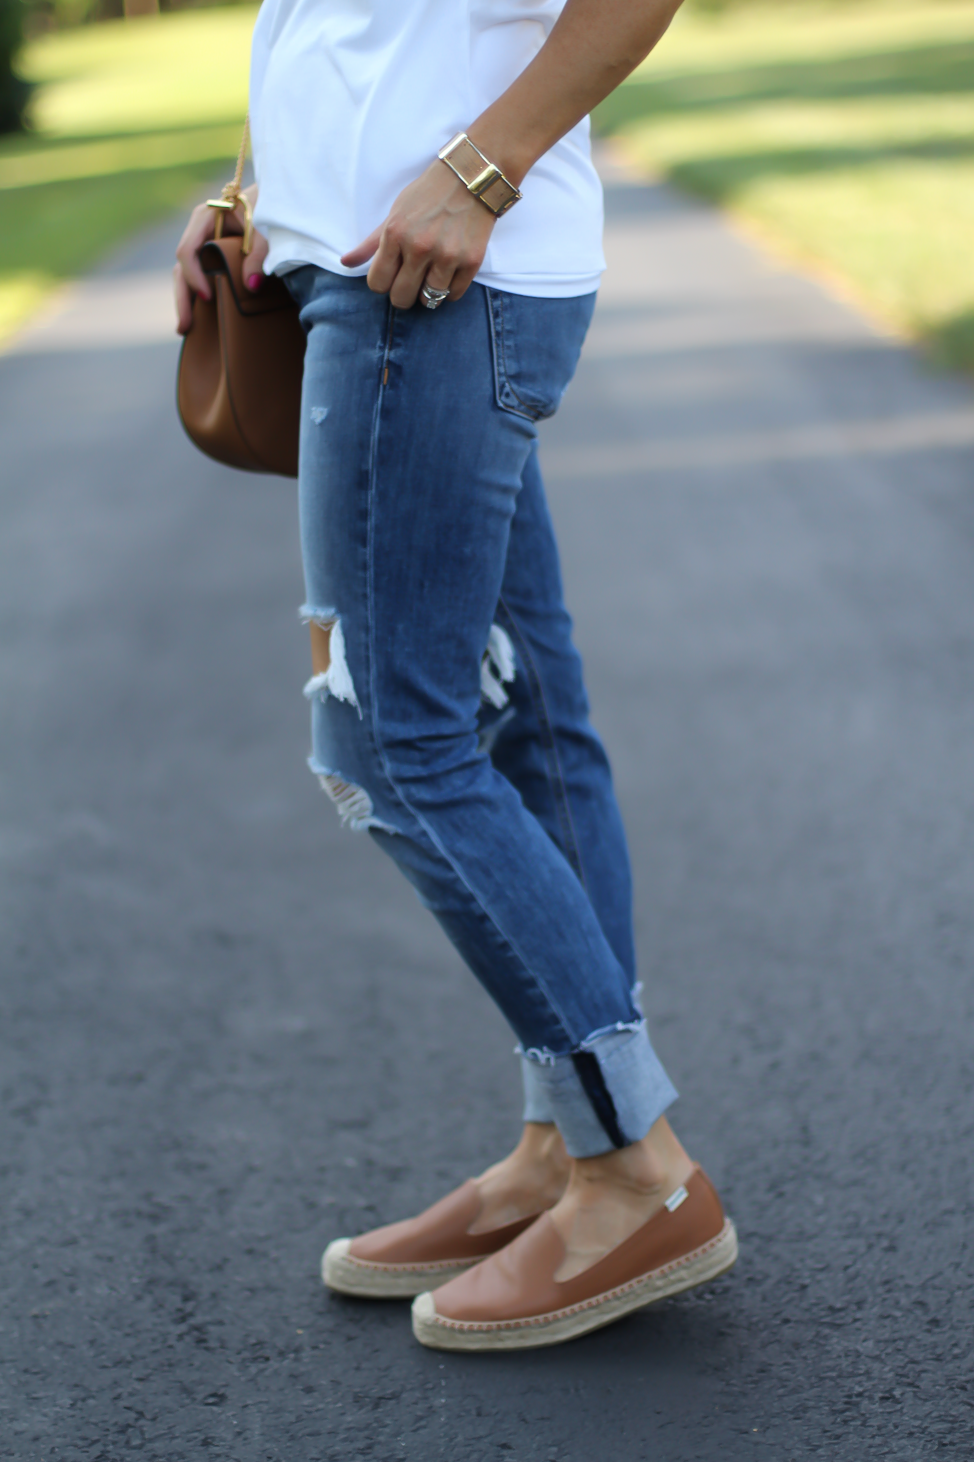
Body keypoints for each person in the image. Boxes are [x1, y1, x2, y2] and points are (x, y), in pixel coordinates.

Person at [174, 0, 736, 1351]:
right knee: (526, 722)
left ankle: (632, 1167)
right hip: (371, 264)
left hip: (434, 273)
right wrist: (263, 191)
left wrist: (481, 167)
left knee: (387, 744)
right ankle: (563, 1147)